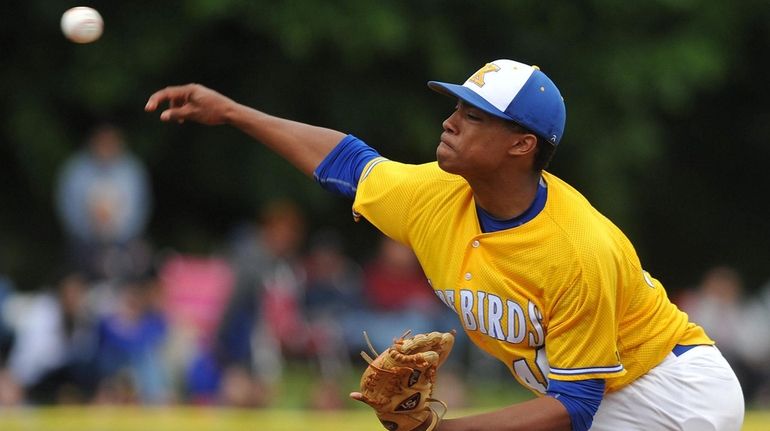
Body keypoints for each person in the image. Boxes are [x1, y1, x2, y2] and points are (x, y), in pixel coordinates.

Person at [145, 59, 744, 430]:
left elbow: (575, 407)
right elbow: (346, 162)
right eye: (457, 106)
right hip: (592, 397)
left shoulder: (579, 249)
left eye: (476, 115)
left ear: (522, 146)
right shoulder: (434, 195)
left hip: (672, 395)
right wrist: (233, 112)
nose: (450, 121)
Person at [55, 123, 153, 281]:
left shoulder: (132, 170)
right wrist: (92, 226)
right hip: (85, 241)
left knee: (140, 258)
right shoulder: (76, 170)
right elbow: (68, 211)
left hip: (126, 241)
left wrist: (117, 231)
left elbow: (140, 210)